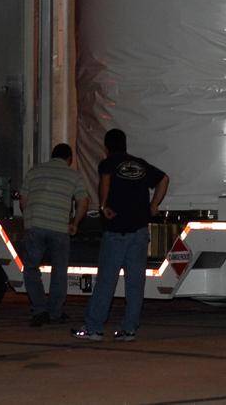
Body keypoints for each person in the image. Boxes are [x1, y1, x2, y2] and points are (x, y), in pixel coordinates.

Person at [73, 128, 168, 343]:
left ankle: (94, 328)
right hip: (140, 232)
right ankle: (129, 330)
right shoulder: (140, 164)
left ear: (106, 148)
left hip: (116, 231)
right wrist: (154, 205)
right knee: (135, 283)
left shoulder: (108, 163)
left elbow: (105, 181)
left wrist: (104, 205)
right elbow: (164, 179)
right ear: (125, 145)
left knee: (107, 280)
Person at [20, 143, 90, 326]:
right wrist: (74, 223)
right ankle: (55, 313)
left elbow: (23, 201)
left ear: (52, 156)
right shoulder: (73, 175)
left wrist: (30, 218)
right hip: (60, 228)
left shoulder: (34, 171)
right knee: (59, 271)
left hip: (35, 225)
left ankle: (39, 310)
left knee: (31, 268)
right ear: (69, 159)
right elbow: (83, 201)